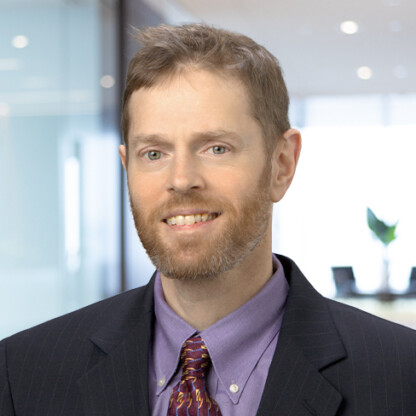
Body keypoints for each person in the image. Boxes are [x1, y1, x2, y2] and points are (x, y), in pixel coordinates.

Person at [1, 23, 416, 416]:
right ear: (127, 167)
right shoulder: (22, 374)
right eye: (154, 153)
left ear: (282, 164)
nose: (180, 180)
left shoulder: (401, 376)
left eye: (216, 148)